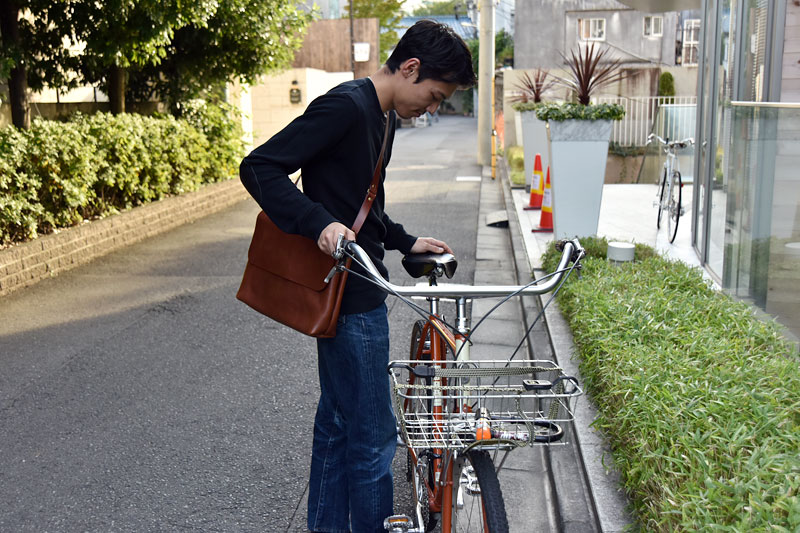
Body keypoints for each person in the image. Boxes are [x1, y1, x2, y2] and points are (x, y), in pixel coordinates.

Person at [239, 20, 476, 532]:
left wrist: (404, 240)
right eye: (434, 96)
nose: (433, 109)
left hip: (357, 283)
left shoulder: (383, 116)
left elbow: (365, 203)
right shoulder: (346, 106)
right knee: (373, 436)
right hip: (348, 297)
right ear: (410, 68)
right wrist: (317, 222)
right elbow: (259, 167)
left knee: (339, 424)